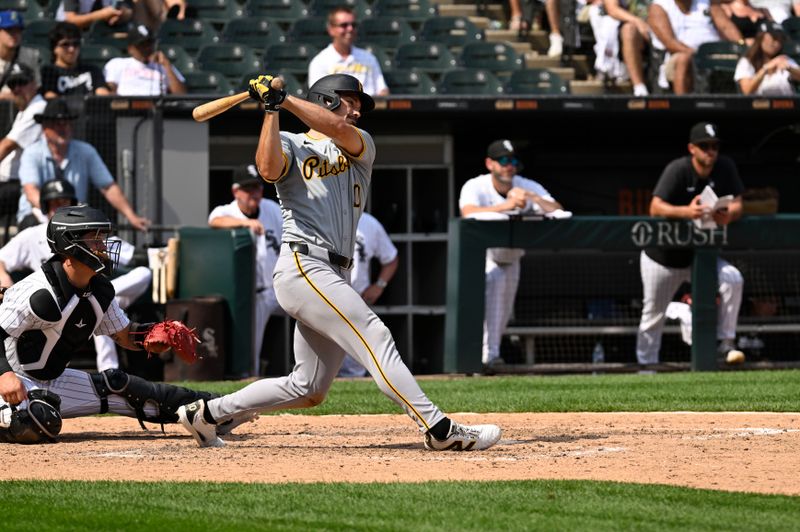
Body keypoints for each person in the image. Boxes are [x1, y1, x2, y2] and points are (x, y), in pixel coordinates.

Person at [177, 73, 501, 451]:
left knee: (308, 387)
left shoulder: (360, 143)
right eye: (350, 101)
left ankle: (207, 414)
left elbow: (332, 127)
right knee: (375, 335)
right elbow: (267, 169)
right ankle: (438, 428)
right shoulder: (290, 143)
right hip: (304, 265)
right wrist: (271, 108)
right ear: (328, 99)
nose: (358, 111)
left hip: (335, 272)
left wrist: (285, 98)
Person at [0, 205, 244, 444]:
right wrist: (5, 374)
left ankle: (216, 409)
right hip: (10, 379)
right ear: (69, 244)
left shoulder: (100, 291)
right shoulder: (38, 292)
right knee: (35, 421)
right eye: (94, 240)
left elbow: (125, 335)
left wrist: (152, 336)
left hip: (51, 380)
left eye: (102, 239)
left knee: (120, 385)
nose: (103, 247)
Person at [0, 179, 151, 372]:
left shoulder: (88, 230)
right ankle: (108, 366)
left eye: (65, 202)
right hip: (48, 301)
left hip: (88, 294)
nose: (60, 207)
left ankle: (109, 368)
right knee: (97, 304)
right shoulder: (32, 235)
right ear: (45, 206)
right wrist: (9, 284)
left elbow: (131, 255)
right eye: (55, 203)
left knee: (114, 292)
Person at [636, 122, 745, 366]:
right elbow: (655, 207)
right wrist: (688, 211)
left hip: (700, 256)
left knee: (732, 279)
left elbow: (738, 203)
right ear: (692, 148)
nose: (710, 151)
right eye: (705, 146)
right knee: (653, 315)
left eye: (714, 146)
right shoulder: (678, 169)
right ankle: (646, 368)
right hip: (663, 258)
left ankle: (725, 344)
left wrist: (729, 213)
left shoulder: (724, 167)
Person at [459, 139, 565, 372]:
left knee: (502, 313)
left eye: (513, 161)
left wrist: (534, 199)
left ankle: (492, 356)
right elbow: (467, 213)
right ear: (490, 163)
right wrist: (507, 205)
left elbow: (558, 208)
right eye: (504, 160)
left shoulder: (524, 184)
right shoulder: (476, 186)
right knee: (488, 309)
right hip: (486, 258)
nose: (510, 166)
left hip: (513, 257)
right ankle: (484, 358)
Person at [16, 98, 150, 232]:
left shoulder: (86, 151)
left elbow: (108, 187)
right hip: (39, 216)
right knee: (33, 225)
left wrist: (131, 216)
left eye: (66, 123)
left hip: (74, 218)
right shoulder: (32, 153)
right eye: (57, 124)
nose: (63, 128)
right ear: (45, 128)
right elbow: (31, 190)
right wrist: (52, 212)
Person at [208, 164, 283, 377]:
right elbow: (214, 220)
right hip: (256, 293)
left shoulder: (271, 208)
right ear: (236, 191)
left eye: (257, 188)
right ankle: (251, 378)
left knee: (312, 315)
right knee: (252, 351)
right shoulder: (228, 210)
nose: (254, 194)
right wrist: (245, 223)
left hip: (281, 287)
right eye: (248, 188)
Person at [338, 211, 399, 378]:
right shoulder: (325, 216)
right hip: (327, 293)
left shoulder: (369, 223)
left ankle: (350, 397)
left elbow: (391, 258)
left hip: (357, 297)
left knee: (354, 365)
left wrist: (379, 285)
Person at [648, 0, 743, 94]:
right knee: (683, 59)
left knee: (745, 58)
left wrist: (742, 46)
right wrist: (698, 54)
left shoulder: (708, 3)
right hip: (680, 55)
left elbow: (726, 27)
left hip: (714, 53)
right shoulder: (659, 7)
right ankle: (682, 104)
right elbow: (670, 43)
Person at [0, 63, 46, 236]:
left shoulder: (38, 108)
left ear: (34, 83)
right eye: (13, 85)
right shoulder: (24, 109)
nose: (17, 89)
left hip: (20, 185)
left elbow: (6, 146)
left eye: (22, 82)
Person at [307, 6, 389, 97]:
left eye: (353, 25)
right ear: (331, 29)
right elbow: (318, 98)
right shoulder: (320, 62)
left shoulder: (369, 58)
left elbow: (382, 90)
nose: (350, 29)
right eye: (344, 25)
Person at [103, 24, 186, 96]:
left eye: (149, 44)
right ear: (130, 48)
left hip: (158, 110)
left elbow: (180, 95)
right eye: (142, 45)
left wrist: (166, 65)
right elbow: (110, 94)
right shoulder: (118, 63)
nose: (147, 48)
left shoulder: (163, 65)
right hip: (126, 111)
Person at [590, 0, 652, 96]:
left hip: (659, 24)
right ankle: (639, 87)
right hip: (625, 28)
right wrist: (638, 21)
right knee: (629, 30)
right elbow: (612, 9)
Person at [41, 22, 112, 100]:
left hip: (90, 111)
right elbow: (51, 99)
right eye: (65, 44)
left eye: (76, 44)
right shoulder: (48, 72)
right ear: (55, 48)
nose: (71, 49)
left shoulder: (93, 70)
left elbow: (103, 96)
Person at [735, 22, 800, 95]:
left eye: (781, 39)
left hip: (787, 103)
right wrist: (765, 69)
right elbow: (747, 91)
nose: (777, 43)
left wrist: (789, 68)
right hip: (759, 104)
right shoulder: (747, 61)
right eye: (774, 38)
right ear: (761, 37)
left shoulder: (783, 59)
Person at [0, 11, 42, 101]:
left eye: (18, 30)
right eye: (9, 30)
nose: (14, 35)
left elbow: (36, 89)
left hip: (21, 108)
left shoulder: (31, 56)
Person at [55, 0, 133, 30]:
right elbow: (70, 20)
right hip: (66, 33)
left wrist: (123, 14)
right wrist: (101, 15)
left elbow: (127, 11)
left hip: (99, 33)